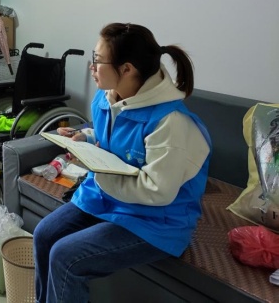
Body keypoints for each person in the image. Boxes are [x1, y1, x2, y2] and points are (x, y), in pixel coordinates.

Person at [33, 23, 211, 303]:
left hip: (156, 220)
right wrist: (86, 137)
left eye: (98, 60)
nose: (91, 67)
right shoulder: (107, 97)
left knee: (66, 257)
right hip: (109, 199)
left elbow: (157, 191)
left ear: (126, 69)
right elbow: (117, 139)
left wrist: (97, 171)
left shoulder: (171, 124)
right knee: (44, 235)